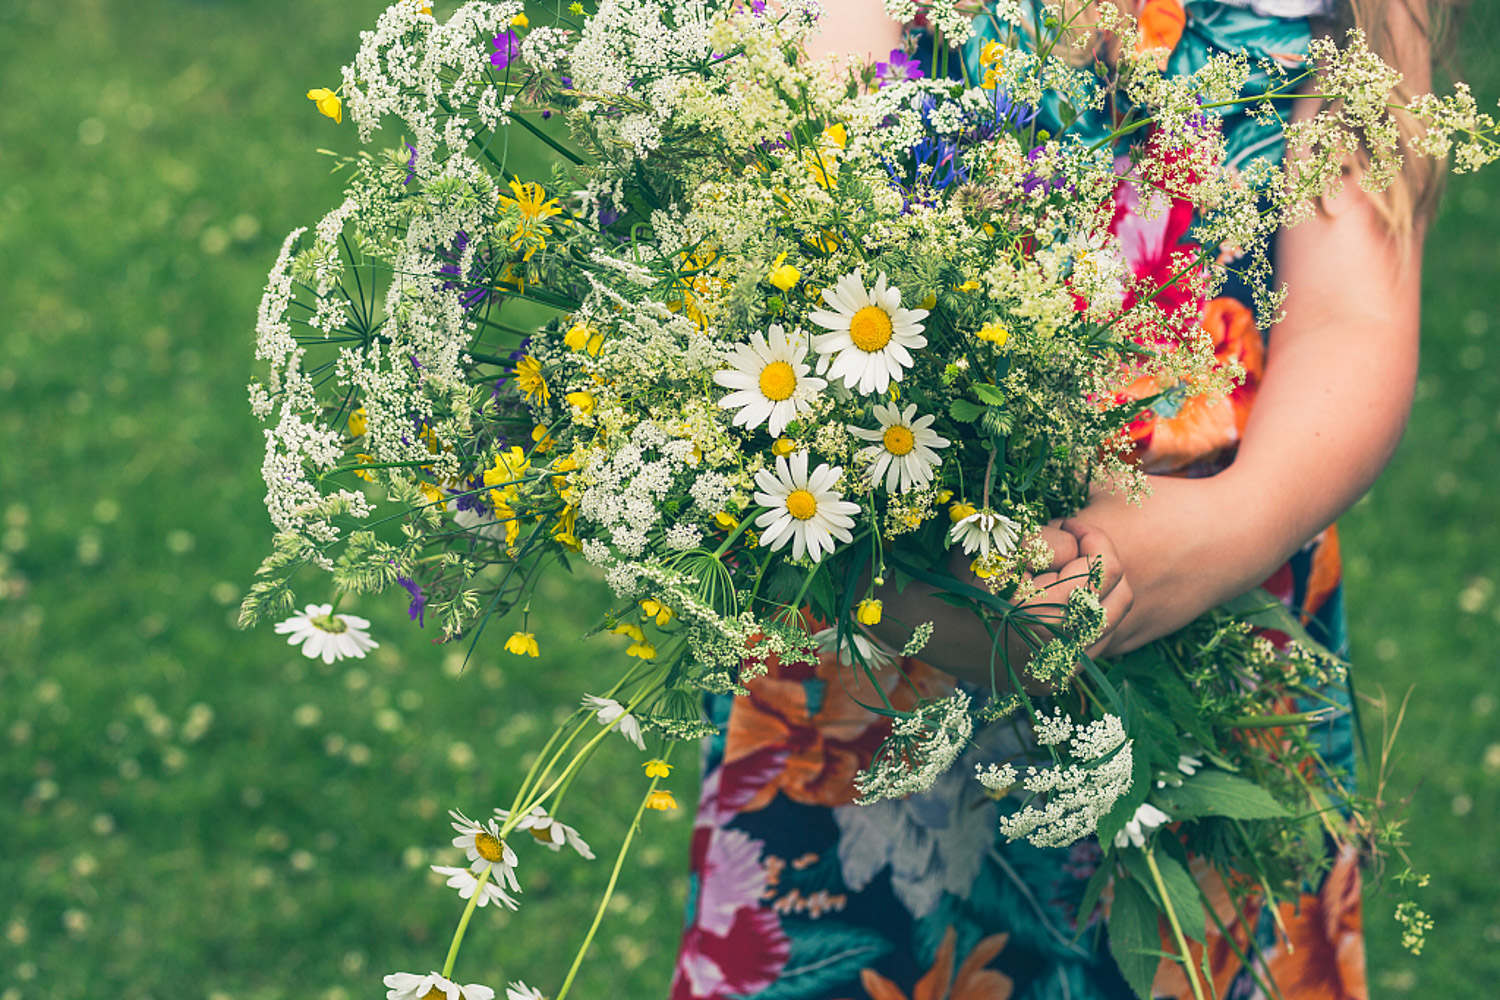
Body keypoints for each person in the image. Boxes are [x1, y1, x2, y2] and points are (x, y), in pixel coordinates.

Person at [670, 2, 1440, 997]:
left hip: (1211, 625)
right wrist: (887, 578)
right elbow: (777, 175)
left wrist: (1222, 528)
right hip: (873, 631)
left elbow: (1349, 317)